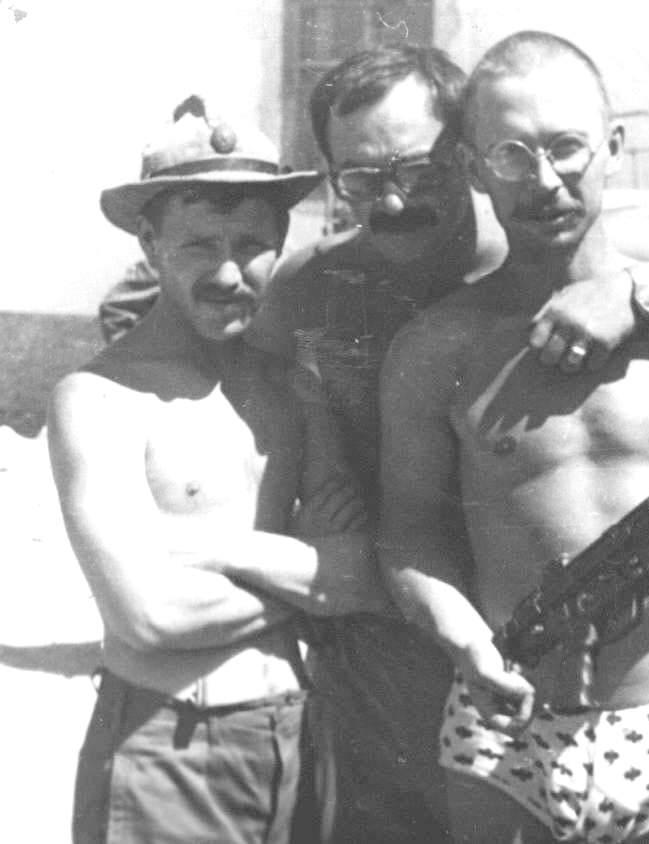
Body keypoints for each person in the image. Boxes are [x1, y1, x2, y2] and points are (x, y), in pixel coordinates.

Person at [247, 43, 649, 842]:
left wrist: (636, 293)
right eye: (360, 178)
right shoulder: (366, 309)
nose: (392, 200)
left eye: (416, 170)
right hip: (464, 691)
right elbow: (400, 524)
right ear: (480, 163)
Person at [377, 30, 649, 843]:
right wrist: (466, 643)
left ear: (611, 148)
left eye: (567, 147)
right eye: (511, 155)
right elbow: (409, 536)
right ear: (472, 169)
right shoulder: (438, 346)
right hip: (503, 729)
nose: (545, 180)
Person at [48, 98, 387, 842]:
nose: (230, 272)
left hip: (301, 742)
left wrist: (214, 551)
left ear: (282, 241)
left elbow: (361, 574)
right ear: (149, 243)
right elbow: (151, 616)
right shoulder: (99, 399)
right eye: (200, 244)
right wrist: (307, 570)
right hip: (169, 754)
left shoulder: (292, 388)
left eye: (252, 243)